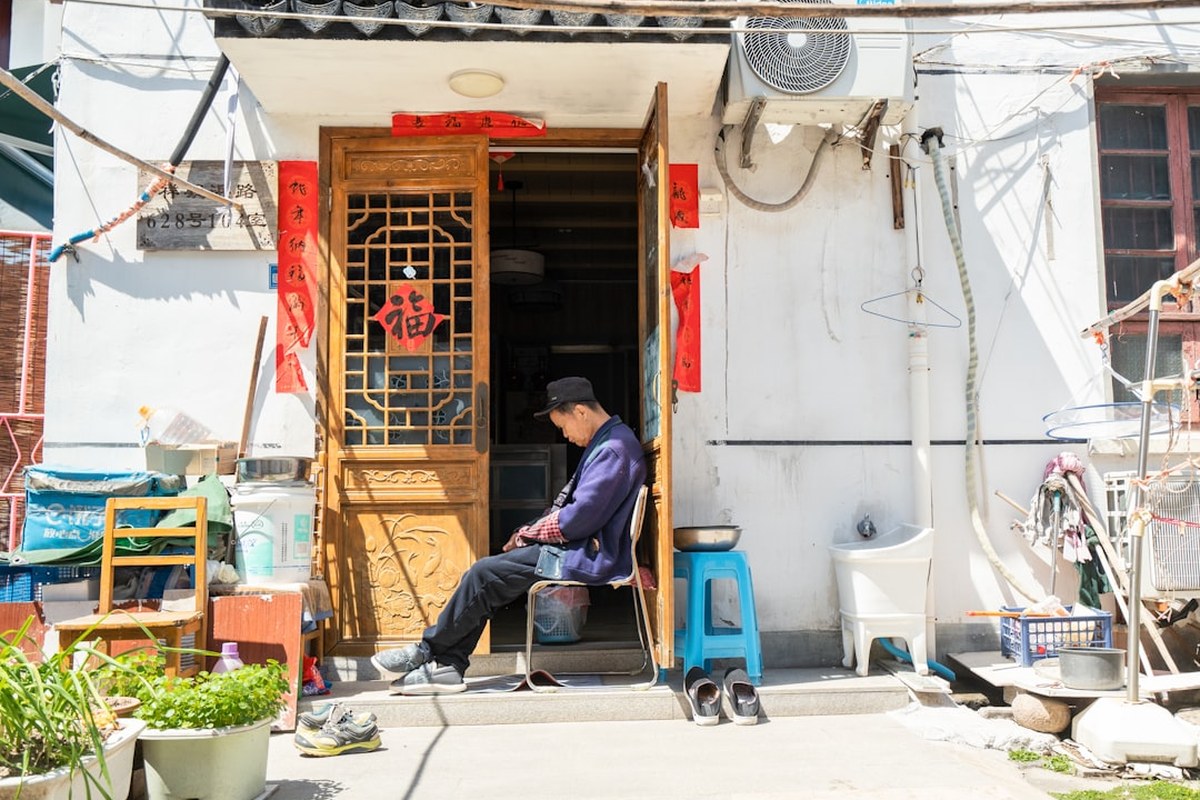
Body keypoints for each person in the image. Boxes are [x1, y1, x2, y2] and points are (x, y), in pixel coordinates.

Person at [372, 376, 648, 695]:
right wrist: (527, 534)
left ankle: (431, 654)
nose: (566, 436)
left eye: (564, 427)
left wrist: (528, 535)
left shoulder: (613, 448)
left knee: (484, 574)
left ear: (581, 412)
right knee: (490, 576)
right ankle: (446, 663)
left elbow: (578, 520)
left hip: (589, 553)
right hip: (581, 547)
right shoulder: (610, 442)